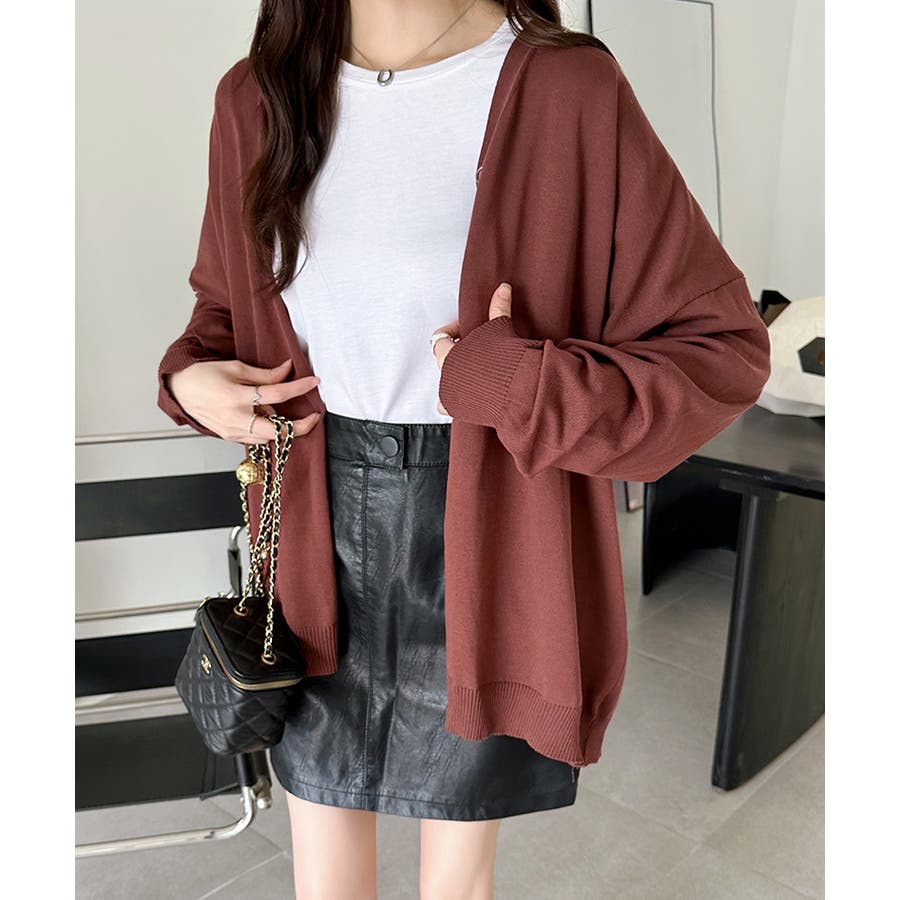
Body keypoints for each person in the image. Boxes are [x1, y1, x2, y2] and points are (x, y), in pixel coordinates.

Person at [158, 1, 772, 897]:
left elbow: (721, 352)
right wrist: (187, 381)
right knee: (325, 877)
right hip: (313, 526)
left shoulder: (566, 87)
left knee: (457, 881)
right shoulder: (256, 95)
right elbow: (222, 311)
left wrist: (512, 382)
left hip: (494, 517)